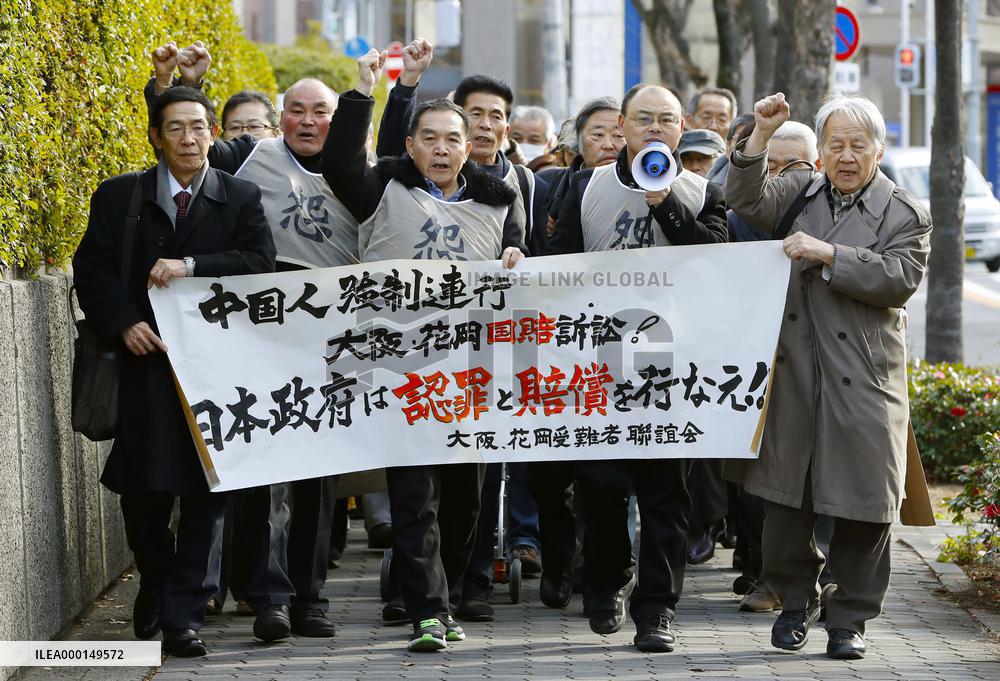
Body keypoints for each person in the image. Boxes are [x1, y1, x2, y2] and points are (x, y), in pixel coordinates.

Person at [144, 39, 423, 643]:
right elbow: (186, 142)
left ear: (341, 119)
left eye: (321, 111)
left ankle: (309, 594)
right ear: (279, 118)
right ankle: (264, 593)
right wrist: (173, 84)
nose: (308, 121)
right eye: (296, 110)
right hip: (255, 337)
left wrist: (398, 88)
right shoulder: (253, 158)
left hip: (331, 340)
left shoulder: (362, 172)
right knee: (257, 470)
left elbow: (401, 144)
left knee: (317, 477)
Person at [322, 48, 527, 652]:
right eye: (429, 138)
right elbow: (338, 161)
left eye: (452, 139)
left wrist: (516, 258)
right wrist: (363, 94)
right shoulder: (381, 189)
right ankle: (428, 612)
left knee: (465, 503)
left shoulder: (498, 200)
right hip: (400, 372)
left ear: (471, 147)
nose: (441, 149)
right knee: (414, 499)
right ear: (410, 146)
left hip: (470, 375)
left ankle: (456, 589)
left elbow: (515, 266)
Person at [725, 92, 931, 660]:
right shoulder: (797, 191)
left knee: (867, 506)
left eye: (857, 145)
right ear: (820, 152)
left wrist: (829, 254)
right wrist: (761, 138)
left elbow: (899, 278)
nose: (845, 155)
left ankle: (850, 619)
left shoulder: (905, 212)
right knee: (786, 503)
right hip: (793, 375)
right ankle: (795, 602)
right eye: (835, 143)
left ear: (878, 149)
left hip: (866, 379)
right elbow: (740, 198)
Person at [72, 86, 276, 658]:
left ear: (214, 132)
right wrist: (123, 323)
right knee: (143, 492)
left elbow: (258, 264)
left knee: (206, 492)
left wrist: (192, 266)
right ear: (156, 138)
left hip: (212, 370)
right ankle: (157, 579)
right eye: (176, 128)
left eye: (199, 127)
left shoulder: (239, 195)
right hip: (144, 368)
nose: (190, 138)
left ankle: (183, 615)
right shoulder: (120, 196)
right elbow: (92, 269)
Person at [548, 83, 728, 653]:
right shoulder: (585, 186)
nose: (655, 129)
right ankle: (605, 582)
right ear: (621, 126)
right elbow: (560, 266)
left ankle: (657, 610)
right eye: (643, 119)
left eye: (667, 120)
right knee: (599, 486)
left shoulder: (703, 191)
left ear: (683, 128)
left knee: (666, 496)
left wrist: (665, 203)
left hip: (672, 368)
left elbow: (714, 257)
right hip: (599, 365)